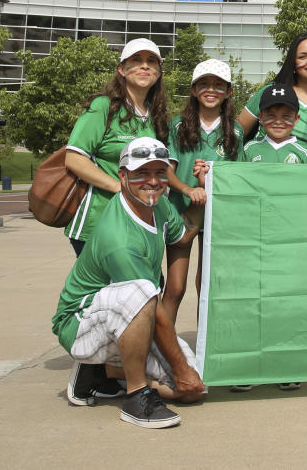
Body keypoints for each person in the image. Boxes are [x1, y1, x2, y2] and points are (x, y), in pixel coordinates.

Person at [52, 137, 205, 428]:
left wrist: (204, 189)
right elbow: (152, 308)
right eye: (141, 173)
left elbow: (183, 234)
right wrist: (180, 368)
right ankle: (136, 397)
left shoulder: (157, 206)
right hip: (80, 322)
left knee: (193, 390)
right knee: (143, 291)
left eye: (160, 173)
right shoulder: (118, 238)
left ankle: (100, 373)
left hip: (127, 317)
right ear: (122, 176)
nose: (152, 181)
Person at [233, 83, 307, 391]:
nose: (277, 120)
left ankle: (285, 364)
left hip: (291, 243)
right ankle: (250, 366)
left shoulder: (306, 152)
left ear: (296, 119)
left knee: (286, 303)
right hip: (257, 240)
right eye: (270, 114)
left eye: (285, 114)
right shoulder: (249, 150)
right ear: (260, 116)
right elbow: (236, 193)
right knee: (256, 301)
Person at [63, 38, 169, 256]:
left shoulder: (156, 115)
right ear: (121, 69)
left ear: (158, 72)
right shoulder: (103, 106)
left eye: (152, 61)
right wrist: (122, 190)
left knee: (148, 285)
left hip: (140, 222)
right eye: (136, 60)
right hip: (99, 221)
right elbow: (74, 159)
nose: (145, 66)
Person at [163, 59, 243, 327]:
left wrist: (212, 182)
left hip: (217, 218)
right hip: (181, 213)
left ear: (229, 91)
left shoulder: (236, 130)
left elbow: (239, 176)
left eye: (219, 85)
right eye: (205, 84)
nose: (211, 90)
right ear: (194, 89)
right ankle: (162, 352)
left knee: (207, 287)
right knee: (175, 288)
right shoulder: (177, 125)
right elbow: (167, 171)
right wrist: (190, 188)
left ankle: (203, 353)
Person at [238, 31, 307, 163]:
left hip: (300, 180)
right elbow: (236, 133)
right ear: (293, 62)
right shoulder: (271, 92)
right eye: (302, 57)